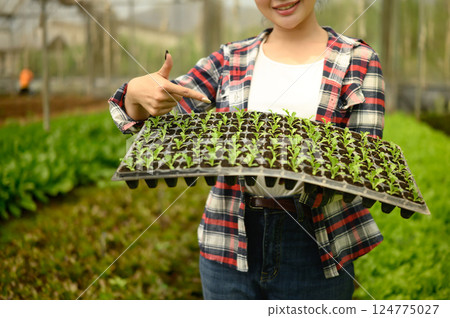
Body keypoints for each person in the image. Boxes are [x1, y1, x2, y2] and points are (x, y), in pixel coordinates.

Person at [109, 0, 385, 300]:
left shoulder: (358, 60)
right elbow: (164, 111)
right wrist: (137, 95)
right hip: (228, 240)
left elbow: (363, 164)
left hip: (316, 249)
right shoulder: (229, 59)